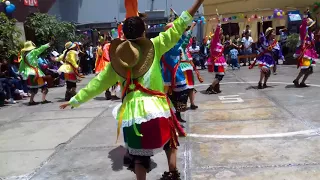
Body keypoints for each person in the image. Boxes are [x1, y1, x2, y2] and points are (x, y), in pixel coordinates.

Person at [59, 0, 204, 179]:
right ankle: (173, 173)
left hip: (131, 115)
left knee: (138, 158)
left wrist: (75, 100)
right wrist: (198, 2)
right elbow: (181, 24)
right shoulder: (156, 45)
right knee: (170, 142)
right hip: (158, 110)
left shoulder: (117, 62)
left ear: (124, 34)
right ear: (144, 31)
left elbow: (96, 85)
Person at [19, 41, 53, 105]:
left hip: (29, 74)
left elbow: (21, 65)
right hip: (35, 73)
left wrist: (20, 73)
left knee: (34, 88)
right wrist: (48, 44)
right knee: (44, 87)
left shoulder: (24, 56)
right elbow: (40, 49)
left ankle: (31, 101)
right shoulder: (32, 52)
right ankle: (43, 100)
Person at [179, 22, 203, 110]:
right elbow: (188, 36)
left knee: (184, 88)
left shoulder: (172, 45)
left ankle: (185, 105)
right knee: (188, 87)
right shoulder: (182, 45)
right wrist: (192, 26)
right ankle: (188, 104)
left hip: (180, 67)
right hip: (184, 67)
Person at [293, 12, 318, 87]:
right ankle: (297, 80)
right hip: (305, 52)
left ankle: (302, 82)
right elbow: (302, 27)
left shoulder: (312, 34)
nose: (314, 26)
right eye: (312, 25)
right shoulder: (304, 32)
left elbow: (312, 44)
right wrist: (305, 17)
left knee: (310, 69)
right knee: (305, 68)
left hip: (310, 53)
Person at [206, 19, 227, 94]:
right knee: (220, 75)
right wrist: (219, 25)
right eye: (220, 34)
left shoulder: (219, 42)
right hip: (217, 61)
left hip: (219, 60)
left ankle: (215, 88)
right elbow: (217, 33)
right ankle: (211, 87)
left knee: (218, 75)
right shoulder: (214, 41)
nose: (221, 35)